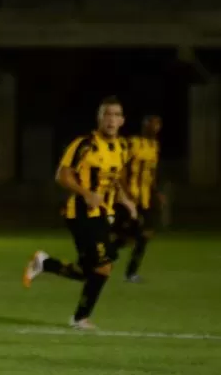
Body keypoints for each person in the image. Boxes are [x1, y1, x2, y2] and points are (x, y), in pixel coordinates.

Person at [23, 96, 137, 329]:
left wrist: (126, 200)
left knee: (91, 271)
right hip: (81, 212)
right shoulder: (84, 144)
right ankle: (80, 318)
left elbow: (115, 179)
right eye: (107, 114)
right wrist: (85, 193)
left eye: (116, 115)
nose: (111, 119)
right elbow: (62, 176)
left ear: (122, 120)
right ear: (99, 118)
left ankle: (45, 263)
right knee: (103, 266)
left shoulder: (123, 147)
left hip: (105, 213)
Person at [113, 115, 164, 282]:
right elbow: (122, 169)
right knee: (126, 238)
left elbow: (152, 173)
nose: (155, 128)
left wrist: (157, 192)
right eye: (152, 124)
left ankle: (131, 273)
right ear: (144, 126)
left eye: (157, 125)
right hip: (130, 198)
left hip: (147, 198)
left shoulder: (155, 146)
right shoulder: (132, 143)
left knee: (145, 235)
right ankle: (96, 260)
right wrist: (126, 193)